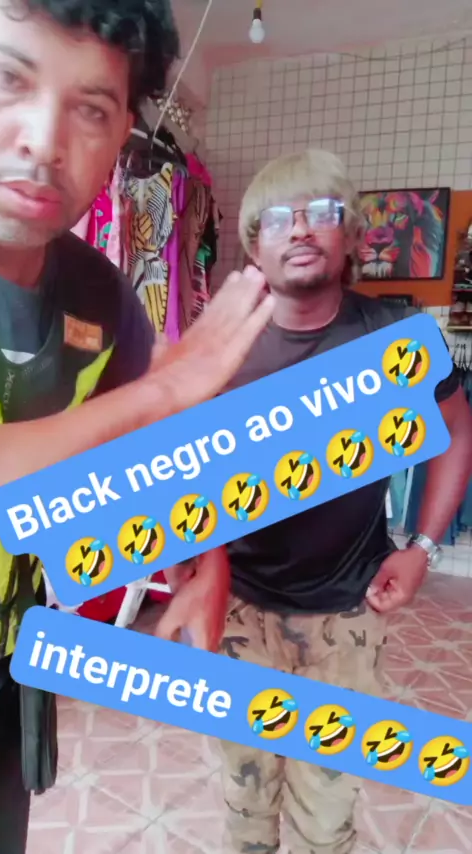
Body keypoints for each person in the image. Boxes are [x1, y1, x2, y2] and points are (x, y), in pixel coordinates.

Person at [0, 2, 275, 851]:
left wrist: (203, 555)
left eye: (91, 108)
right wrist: (169, 387)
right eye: (7, 78)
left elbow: (138, 458)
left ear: (123, 137)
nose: (44, 140)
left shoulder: (98, 295)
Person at [187, 149, 470, 854]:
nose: (300, 229)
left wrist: (422, 548)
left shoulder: (395, 337)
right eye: (277, 218)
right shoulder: (222, 345)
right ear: (255, 246)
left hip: (349, 610)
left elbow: (457, 431)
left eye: (321, 212)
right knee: (247, 801)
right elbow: (182, 473)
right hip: (238, 608)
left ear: (351, 236)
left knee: (326, 811)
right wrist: (195, 572)